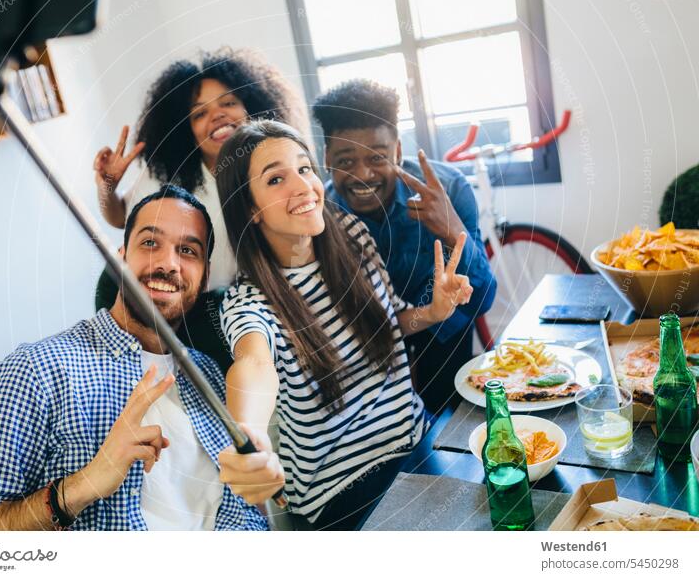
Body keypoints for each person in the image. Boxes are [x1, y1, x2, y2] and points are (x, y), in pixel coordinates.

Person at [0, 186, 276, 531]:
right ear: (119, 259)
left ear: (203, 278)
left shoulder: (212, 376)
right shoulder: (35, 370)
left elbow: (247, 509)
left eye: (187, 250)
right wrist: (83, 485)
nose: (168, 263)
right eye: (150, 243)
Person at [214, 120, 473, 530]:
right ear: (250, 208)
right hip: (339, 493)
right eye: (276, 179)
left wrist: (435, 311)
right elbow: (254, 366)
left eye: (304, 169)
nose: (302, 187)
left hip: (415, 445)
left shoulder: (352, 234)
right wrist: (249, 435)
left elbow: (392, 322)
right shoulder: (248, 302)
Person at [92, 47, 308, 370]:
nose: (217, 115)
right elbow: (120, 216)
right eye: (199, 113)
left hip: (220, 304)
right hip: (142, 291)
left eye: (229, 103)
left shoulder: (276, 170)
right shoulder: (168, 172)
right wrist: (106, 186)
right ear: (186, 131)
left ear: (253, 107)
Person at [312, 79, 497, 414]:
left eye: (377, 157)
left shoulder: (449, 189)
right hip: (366, 338)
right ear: (326, 158)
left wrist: (452, 229)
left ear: (397, 151)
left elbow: (484, 299)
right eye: (346, 161)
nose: (362, 174)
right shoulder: (320, 215)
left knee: (448, 422)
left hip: (442, 330)